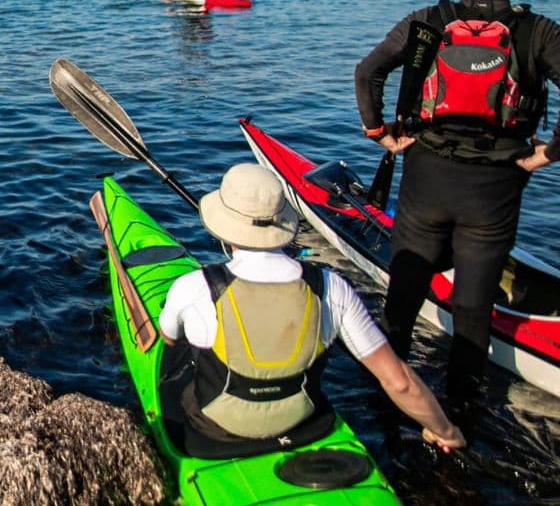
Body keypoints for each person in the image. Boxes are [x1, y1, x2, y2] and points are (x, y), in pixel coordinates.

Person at [355, 0, 560, 396]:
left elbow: (368, 72)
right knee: (472, 309)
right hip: (496, 188)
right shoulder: (538, 32)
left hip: (426, 175)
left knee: (403, 298)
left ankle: (388, 405)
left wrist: (381, 133)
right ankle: (459, 422)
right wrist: (547, 155)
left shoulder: (429, 21)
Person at [158, 163, 466, 452]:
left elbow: (169, 337)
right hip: (302, 423)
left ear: (225, 229)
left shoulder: (194, 286)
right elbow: (399, 381)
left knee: (177, 369)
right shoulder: (331, 286)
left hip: (215, 431)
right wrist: (446, 431)